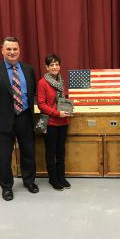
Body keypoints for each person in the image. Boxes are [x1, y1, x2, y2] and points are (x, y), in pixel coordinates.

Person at [0, 36, 39, 201]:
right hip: (4, 120)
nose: (12, 52)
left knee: (28, 152)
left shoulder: (28, 69)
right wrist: (0, 112)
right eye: (8, 49)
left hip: (25, 117)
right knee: (4, 156)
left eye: (15, 49)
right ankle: (6, 187)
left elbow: (31, 91)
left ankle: (29, 181)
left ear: (19, 50)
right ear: (2, 51)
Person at [37, 53, 71, 191]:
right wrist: (58, 113)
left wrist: (69, 109)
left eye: (57, 64)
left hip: (63, 122)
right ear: (47, 67)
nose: (55, 67)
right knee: (51, 152)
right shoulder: (42, 83)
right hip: (50, 123)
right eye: (52, 65)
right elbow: (41, 104)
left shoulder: (61, 82)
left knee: (61, 151)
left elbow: (63, 101)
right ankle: (53, 178)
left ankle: (61, 177)